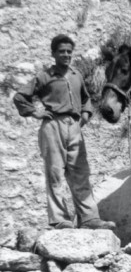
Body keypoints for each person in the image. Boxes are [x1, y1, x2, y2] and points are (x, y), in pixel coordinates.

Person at [13, 34, 116, 230]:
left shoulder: (76, 75)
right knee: (55, 174)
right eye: (62, 52)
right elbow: (20, 97)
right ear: (53, 54)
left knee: (81, 172)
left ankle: (89, 218)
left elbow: (86, 99)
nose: (66, 55)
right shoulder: (44, 76)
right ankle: (60, 219)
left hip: (74, 126)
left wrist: (86, 114)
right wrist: (36, 113)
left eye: (69, 51)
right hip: (53, 126)